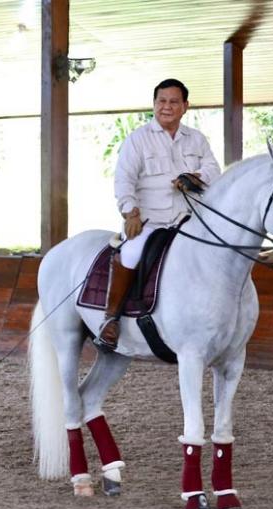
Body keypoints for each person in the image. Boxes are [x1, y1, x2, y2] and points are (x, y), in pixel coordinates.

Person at [96, 79, 221, 351]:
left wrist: (194, 176)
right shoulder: (138, 139)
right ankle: (110, 319)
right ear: (154, 104)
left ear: (185, 107)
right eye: (161, 101)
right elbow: (124, 179)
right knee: (129, 253)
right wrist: (130, 212)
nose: (167, 107)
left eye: (174, 102)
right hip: (152, 221)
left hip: (191, 221)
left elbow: (213, 167)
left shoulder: (197, 139)